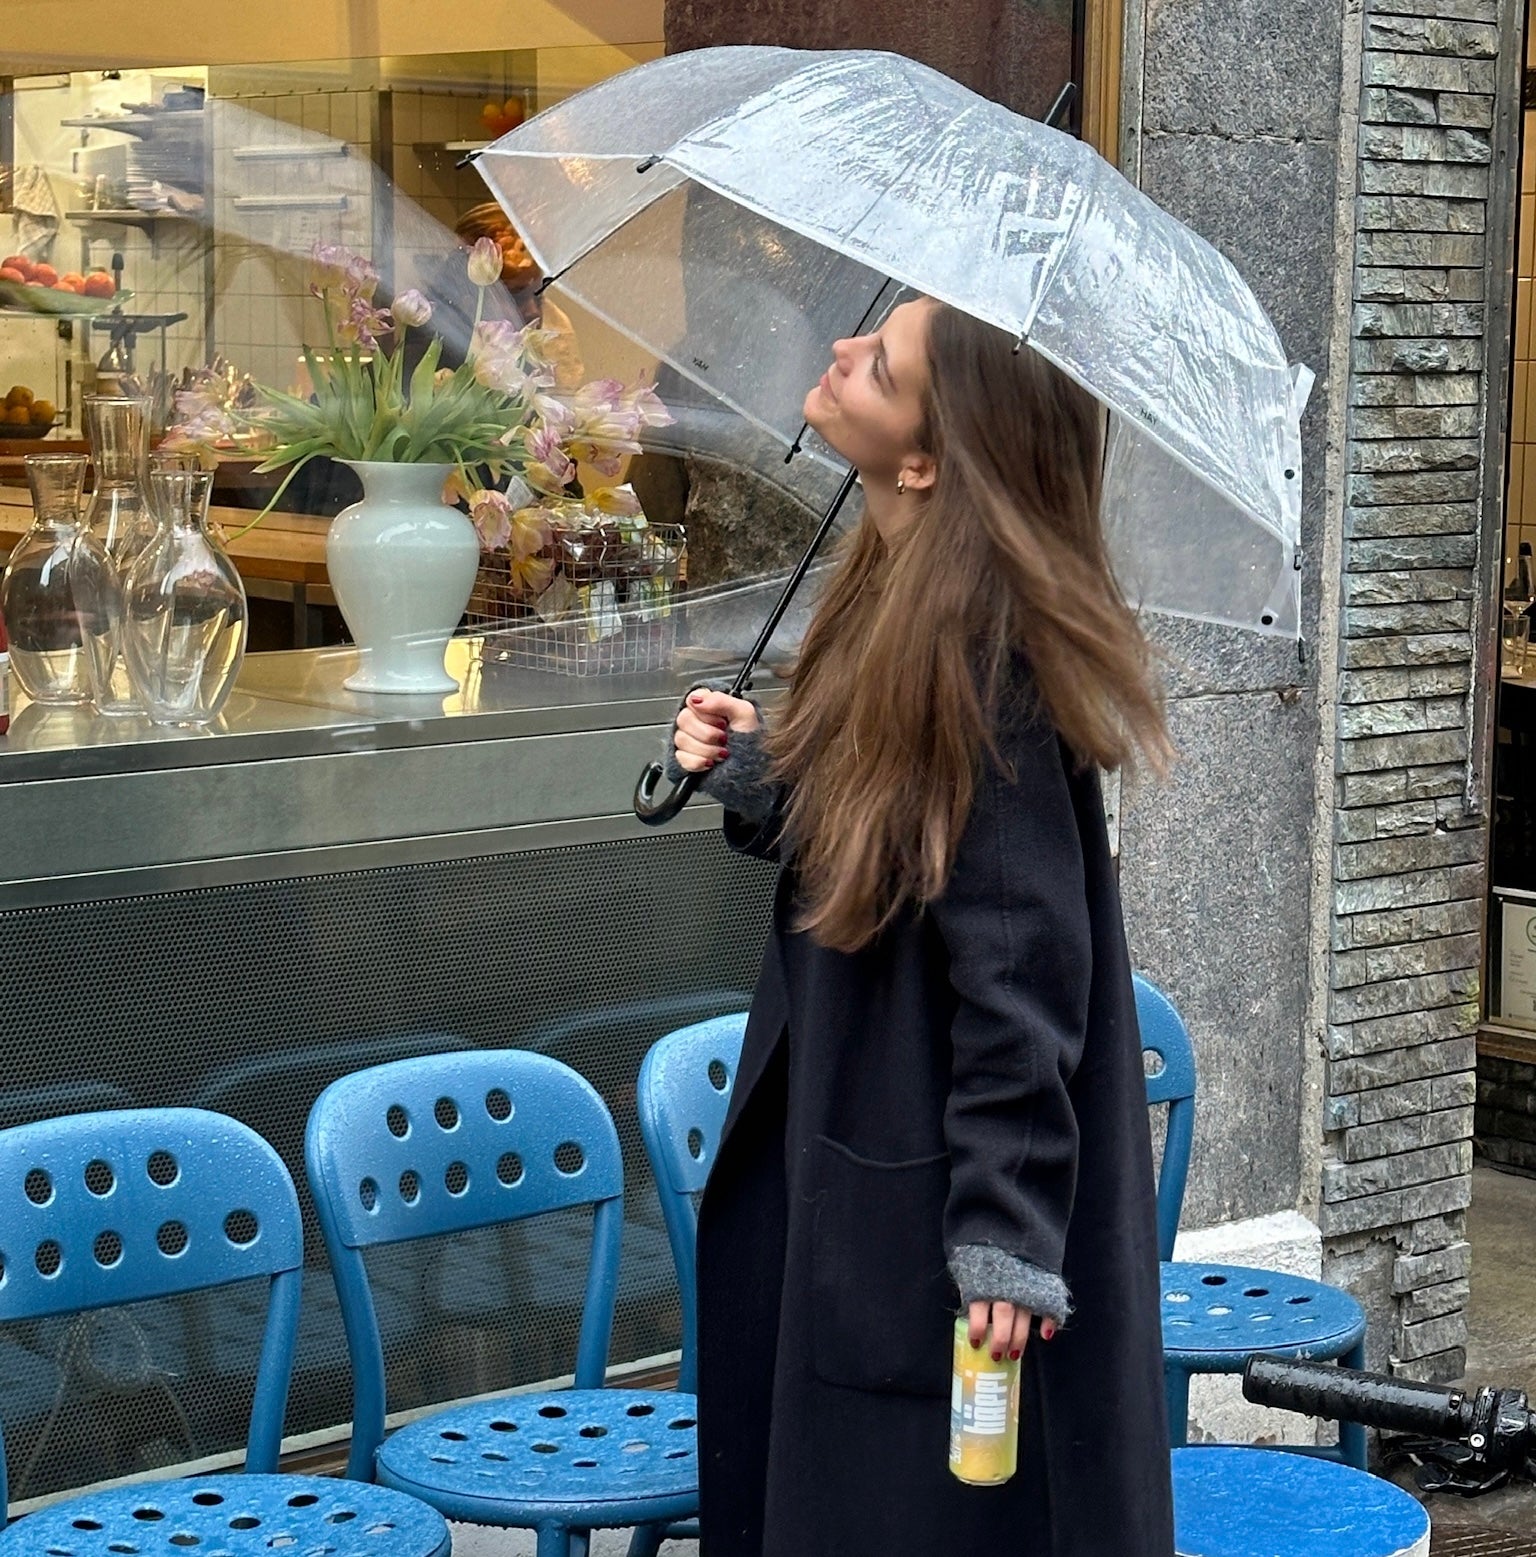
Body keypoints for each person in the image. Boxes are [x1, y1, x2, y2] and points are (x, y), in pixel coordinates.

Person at [665, 295, 1177, 1557]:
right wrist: (768, 782)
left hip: (925, 1206)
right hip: (862, 1161)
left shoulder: (988, 655)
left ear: (928, 456)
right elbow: (900, 854)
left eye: (879, 362)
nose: (840, 352)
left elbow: (1023, 967)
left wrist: (1005, 1231)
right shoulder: (888, 594)